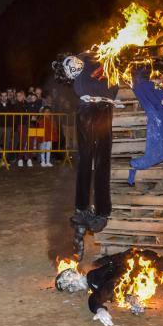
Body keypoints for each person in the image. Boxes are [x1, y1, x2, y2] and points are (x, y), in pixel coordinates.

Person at [53, 53, 118, 259]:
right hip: (91, 108)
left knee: (99, 162)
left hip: (100, 108)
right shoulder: (89, 60)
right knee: (90, 160)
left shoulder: (90, 58)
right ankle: (86, 210)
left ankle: (96, 211)